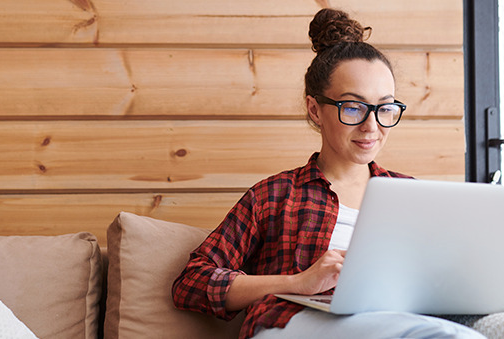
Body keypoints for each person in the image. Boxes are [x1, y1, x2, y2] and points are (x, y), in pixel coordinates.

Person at [171, 8, 487, 339]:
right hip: (291, 323)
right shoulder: (275, 195)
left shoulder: (413, 197)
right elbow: (192, 282)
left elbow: (472, 286)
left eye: (385, 108)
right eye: (353, 107)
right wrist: (298, 282)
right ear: (314, 109)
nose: (371, 126)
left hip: (389, 323)